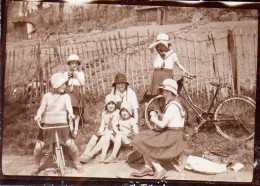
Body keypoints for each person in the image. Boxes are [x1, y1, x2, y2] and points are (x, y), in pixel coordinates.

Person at [131, 79, 186, 179]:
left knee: (141, 139)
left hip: (172, 137)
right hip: (173, 133)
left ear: (172, 92)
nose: (164, 93)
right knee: (143, 136)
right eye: (163, 91)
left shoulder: (172, 106)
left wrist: (153, 118)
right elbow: (168, 121)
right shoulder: (175, 102)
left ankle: (159, 169)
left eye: (166, 91)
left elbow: (162, 125)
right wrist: (156, 115)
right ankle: (148, 166)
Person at [31, 72, 83, 175]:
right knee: (38, 147)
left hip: (62, 125)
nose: (65, 86)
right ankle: (36, 166)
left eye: (65, 84)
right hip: (47, 125)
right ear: (55, 86)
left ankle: (77, 164)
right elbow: (41, 108)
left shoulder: (66, 96)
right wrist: (38, 115)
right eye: (62, 84)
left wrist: (71, 115)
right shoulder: (47, 96)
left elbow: (69, 108)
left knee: (72, 145)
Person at [79, 94, 120, 163]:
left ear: (115, 105)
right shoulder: (104, 113)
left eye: (113, 104)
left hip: (114, 132)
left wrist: (106, 131)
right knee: (94, 137)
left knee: (103, 138)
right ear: (106, 105)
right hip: (106, 131)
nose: (111, 106)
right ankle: (85, 153)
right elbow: (102, 124)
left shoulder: (117, 112)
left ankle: (90, 155)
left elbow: (115, 125)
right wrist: (100, 131)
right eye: (109, 104)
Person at [64, 54, 86, 137]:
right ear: (69, 65)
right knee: (70, 111)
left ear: (78, 65)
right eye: (72, 63)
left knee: (76, 112)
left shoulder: (80, 73)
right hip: (69, 92)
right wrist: (68, 78)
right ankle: (70, 128)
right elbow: (64, 84)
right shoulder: (66, 73)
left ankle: (76, 129)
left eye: (76, 63)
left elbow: (83, 84)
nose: (74, 65)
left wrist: (77, 77)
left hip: (77, 92)